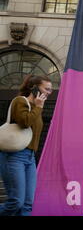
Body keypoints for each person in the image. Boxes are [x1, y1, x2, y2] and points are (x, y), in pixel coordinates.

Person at [0, 75, 52, 216]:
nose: (48, 92)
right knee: (16, 201)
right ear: (33, 87)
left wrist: (37, 107)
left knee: (28, 204)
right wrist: (38, 107)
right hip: (14, 156)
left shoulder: (37, 107)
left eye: (50, 90)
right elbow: (25, 122)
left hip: (30, 157)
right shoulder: (20, 101)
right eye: (46, 89)